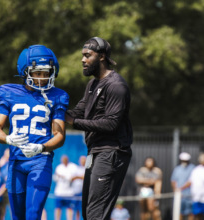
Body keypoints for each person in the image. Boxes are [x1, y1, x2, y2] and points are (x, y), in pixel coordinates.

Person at [0, 45, 68, 220]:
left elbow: (60, 135)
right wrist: (8, 139)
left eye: (46, 72)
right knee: (18, 217)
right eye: (37, 73)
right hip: (16, 162)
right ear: (25, 72)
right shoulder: (8, 93)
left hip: (41, 160)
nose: (42, 77)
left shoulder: (57, 96)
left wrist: (41, 147)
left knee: (33, 214)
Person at [65, 37, 133, 220]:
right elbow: (78, 111)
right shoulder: (92, 84)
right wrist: (54, 111)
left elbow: (111, 124)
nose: (83, 60)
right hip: (95, 152)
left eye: (88, 55)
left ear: (102, 57)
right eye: (82, 55)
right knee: (89, 213)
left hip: (111, 152)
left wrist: (73, 122)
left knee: (96, 214)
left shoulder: (116, 85)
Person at [182, 154, 204, 220]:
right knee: (197, 214)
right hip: (196, 197)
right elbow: (190, 181)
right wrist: (180, 188)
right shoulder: (196, 169)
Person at [171, 152, 195, 220]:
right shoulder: (177, 169)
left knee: (191, 213)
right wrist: (176, 190)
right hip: (180, 197)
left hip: (190, 196)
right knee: (179, 213)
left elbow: (192, 181)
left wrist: (180, 188)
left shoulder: (193, 168)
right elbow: (173, 180)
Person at [53, 155, 77, 220]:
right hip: (59, 192)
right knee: (58, 208)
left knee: (70, 208)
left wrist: (64, 177)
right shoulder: (59, 167)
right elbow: (55, 178)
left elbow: (74, 178)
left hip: (69, 192)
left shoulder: (73, 167)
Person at [71, 156, 86, 220]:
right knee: (74, 208)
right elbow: (72, 178)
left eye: (84, 159)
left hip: (84, 192)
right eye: (81, 159)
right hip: (76, 191)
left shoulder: (87, 169)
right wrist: (79, 177)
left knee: (83, 208)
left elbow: (84, 177)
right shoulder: (76, 168)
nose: (82, 161)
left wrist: (77, 177)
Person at [0, 149, 10, 220]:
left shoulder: (13, 162)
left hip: (10, 189)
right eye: (5, 153)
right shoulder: (2, 163)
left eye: (7, 153)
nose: (6, 155)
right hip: (2, 189)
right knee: (2, 209)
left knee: (13, 209)